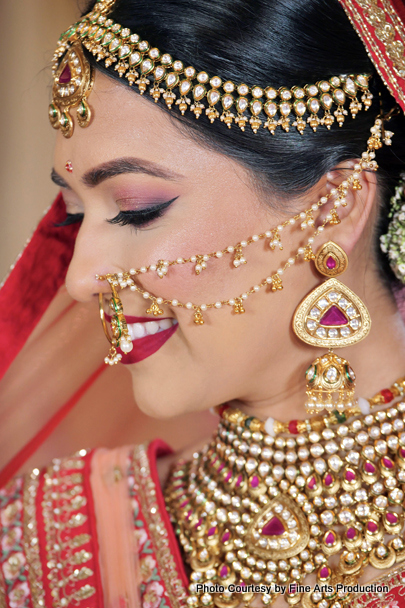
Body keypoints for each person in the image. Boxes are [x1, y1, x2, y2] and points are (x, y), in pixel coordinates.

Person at [1, 0, 405, 606]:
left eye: (138, 210)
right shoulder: (40, 551)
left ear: (336, 206)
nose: (82, 279)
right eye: (74, 220)